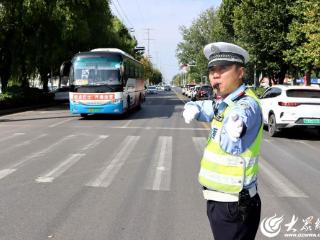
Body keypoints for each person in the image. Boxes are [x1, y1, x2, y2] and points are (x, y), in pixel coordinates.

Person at [183, 42, 263, 240]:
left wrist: (237, 125)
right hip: (222, 203)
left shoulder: (245, 104)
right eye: (212, 70)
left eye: (223, 69)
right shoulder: (225, 102)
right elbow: (208, 107)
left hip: (234, 207)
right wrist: (194, 106)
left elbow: (242, 115)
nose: (215, 75)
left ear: (240, 72)